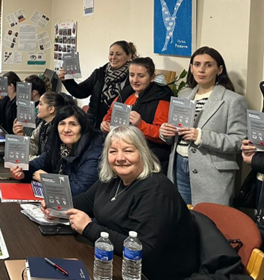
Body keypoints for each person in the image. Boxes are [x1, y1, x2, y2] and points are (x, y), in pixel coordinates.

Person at [45, 125, 199, 280]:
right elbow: (85, 201)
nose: (119, 158)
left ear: (143, 153)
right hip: (112, 259)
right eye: (113, 151)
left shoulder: (157, 192)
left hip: (151, 273)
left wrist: (89, 228)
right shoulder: (113, 179)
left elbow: (144, 250)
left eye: (128, 150)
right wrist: (57, 205)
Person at [159, 47, 246, 206]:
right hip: (179, 164)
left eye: (208, 65)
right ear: (191, 68)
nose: (201, 69)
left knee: (210, 222)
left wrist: (201, 136)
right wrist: (166, 132)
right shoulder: (183, 96)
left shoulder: (232, 100)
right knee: (184, 217)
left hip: (212, 171)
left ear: (219, 69)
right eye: (197, 64)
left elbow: (239, 141)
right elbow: (175, 133)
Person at [11, 106, 103, 196]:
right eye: (62, 124)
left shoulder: (94, 151)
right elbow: (39, 162)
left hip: (80, 208)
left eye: (73, 124)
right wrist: (22, 172)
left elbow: (79, 190)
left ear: (82, 128)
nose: (66, 129)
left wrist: (47, 179)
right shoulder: (59, 143)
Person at [101, 57, 172, 172]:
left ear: (152, 77)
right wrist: (105, 123)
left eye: (141, 76)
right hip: (121, 156)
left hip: (148, 161)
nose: (135, 80)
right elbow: (110, 114)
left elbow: (164, 136)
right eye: (132, 75)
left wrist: (140, 125)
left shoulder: (161, 100)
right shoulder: (125, 94)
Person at [59, 41, 137, 129]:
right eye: (111, 54)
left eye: (118, 54)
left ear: (129, 56)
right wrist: (67, 80)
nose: (113, 57)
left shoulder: (133, 77)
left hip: (119, 127)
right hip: (94, 125)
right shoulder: (100, 73)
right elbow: (81, 92)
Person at [12, 92, 71, 159]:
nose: (37, 107)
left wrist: (24, 160)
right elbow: (34, 147)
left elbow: (47, 160)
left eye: (40, 104)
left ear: (51, 109)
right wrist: (21, 136)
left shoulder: (58, 129)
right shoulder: (43, 124)